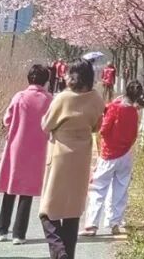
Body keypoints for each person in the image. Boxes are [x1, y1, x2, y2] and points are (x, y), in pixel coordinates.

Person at [38, 61, 105, 259]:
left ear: (74, 76)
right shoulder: (96, 98)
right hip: (82, 156)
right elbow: (97, 126)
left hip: (60, 154)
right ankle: (67, 254)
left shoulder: (63, 98)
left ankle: (59, 252)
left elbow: (46, 125)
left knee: (47, 210)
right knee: (72, 212)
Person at [0, 64, 52, 245]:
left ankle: (1, 230)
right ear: (46, 80)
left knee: (10, 187)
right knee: (27, 191)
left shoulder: (19, 96)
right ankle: (19, 234)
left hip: (16, 146)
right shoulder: (49, 99)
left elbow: (7, 119)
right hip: (38, 149)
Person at [83, 80, 144, 238]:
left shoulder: (114, 108)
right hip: (125, 156)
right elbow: (134, 135)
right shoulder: (134, 113)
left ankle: (92, 225)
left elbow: (103, 130)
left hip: (108, 155)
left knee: (98, 188)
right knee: (120, 190)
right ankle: (114, 223)